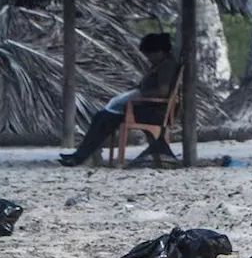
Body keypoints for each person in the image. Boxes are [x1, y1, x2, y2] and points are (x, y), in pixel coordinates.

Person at [59, 32, 178, 166]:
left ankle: (80, 157)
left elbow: (163, 92)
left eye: (149, 55)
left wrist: (139, 94)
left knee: (104, 119)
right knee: (101, 117)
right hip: (143, 107)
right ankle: (80, 155)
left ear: (159, 52)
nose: (148, 58)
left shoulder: (167, 66)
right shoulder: (159, 66)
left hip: (152, 111)